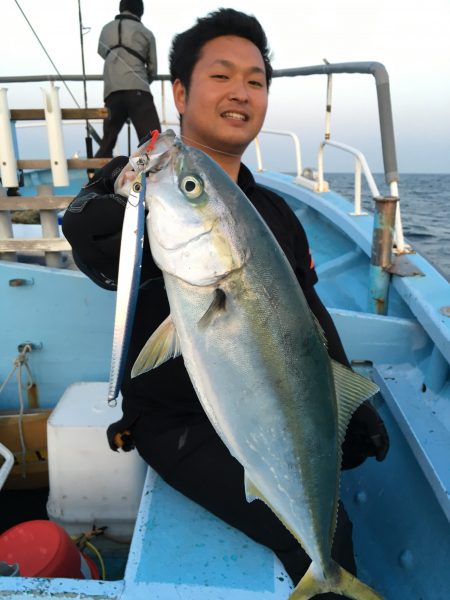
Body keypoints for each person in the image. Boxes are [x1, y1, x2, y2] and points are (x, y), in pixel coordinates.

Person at [62, 8, 389, 596]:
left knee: (329, 482)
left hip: (261, 403)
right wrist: (106, 211)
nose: (241, 92)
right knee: (320, 539)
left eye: (256, 81)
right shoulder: (150, 180)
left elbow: (308, 313)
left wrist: (349, 404)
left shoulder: (278, 215)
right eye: (221, 76)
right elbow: (91, 227)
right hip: (176, 420)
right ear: (180, 92)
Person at [95, 0, 161, 158]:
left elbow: (102, 52)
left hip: (112, 92)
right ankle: (152, 177)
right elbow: (153, 69)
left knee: (108, 141)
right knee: (154, 140)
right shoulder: (146, 33)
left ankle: (97, 176)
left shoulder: (106, 29)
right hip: (139, 90)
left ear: (121, 8)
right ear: (140, 12)